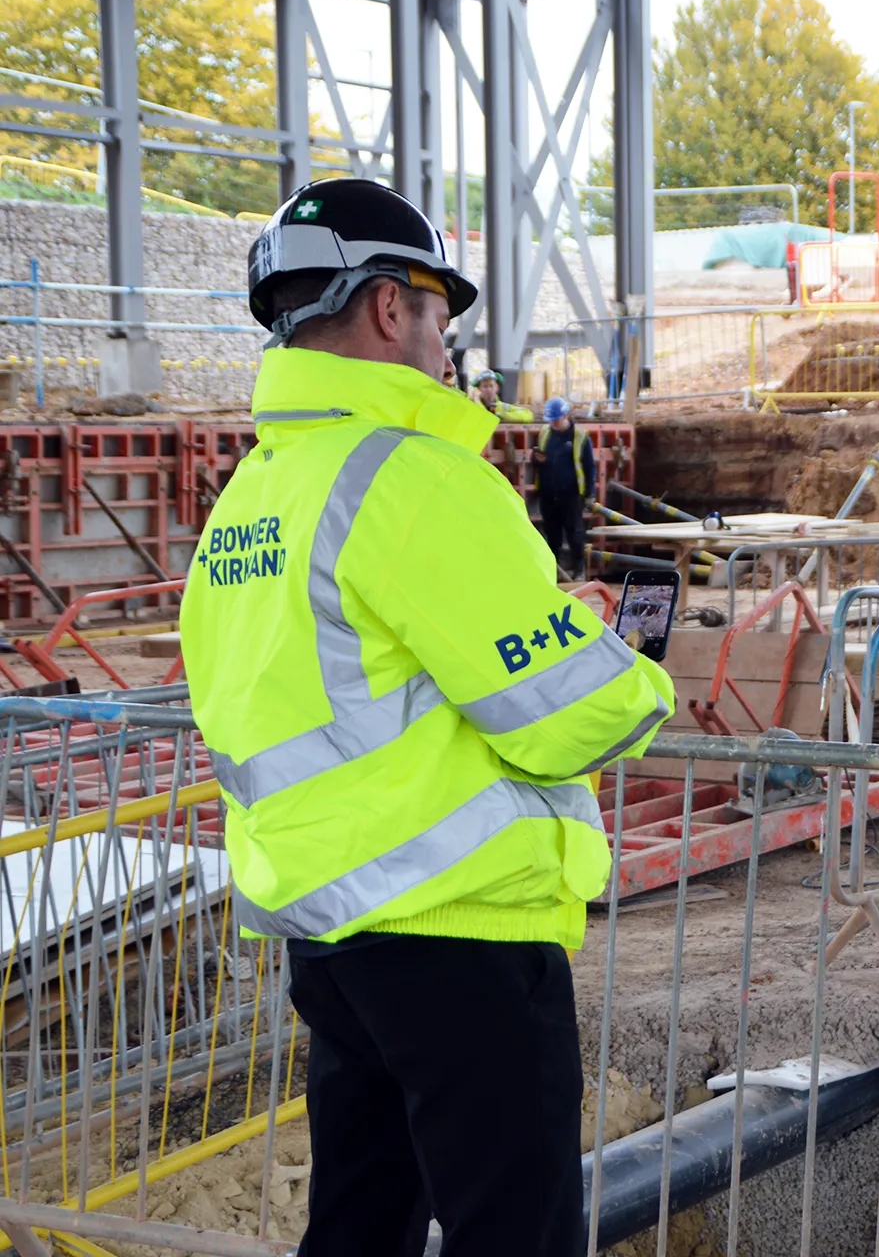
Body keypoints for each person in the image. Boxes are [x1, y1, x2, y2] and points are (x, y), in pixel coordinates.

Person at [179, 177, 675, 1257]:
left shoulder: (254, 496)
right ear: (390, 307)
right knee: (515, 1231)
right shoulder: (412, 476)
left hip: (332, 933)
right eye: (440, 314)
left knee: (360, 1221)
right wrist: (628, 666)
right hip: (459, 934)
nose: (448, 344)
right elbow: (563, 715)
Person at [534, 396, 595, 581]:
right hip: (548, 493)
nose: (554, 423)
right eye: (551, 420)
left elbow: (589, 466)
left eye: (557, 419)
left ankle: (579, 571)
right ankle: (554, 572)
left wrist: (590, 494)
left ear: (566, 415)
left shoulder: (580, 437)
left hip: (571, 494)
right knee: (552, 535)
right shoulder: (545, 433)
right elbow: (536, 460)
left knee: (575, 533)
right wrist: (536, 459)